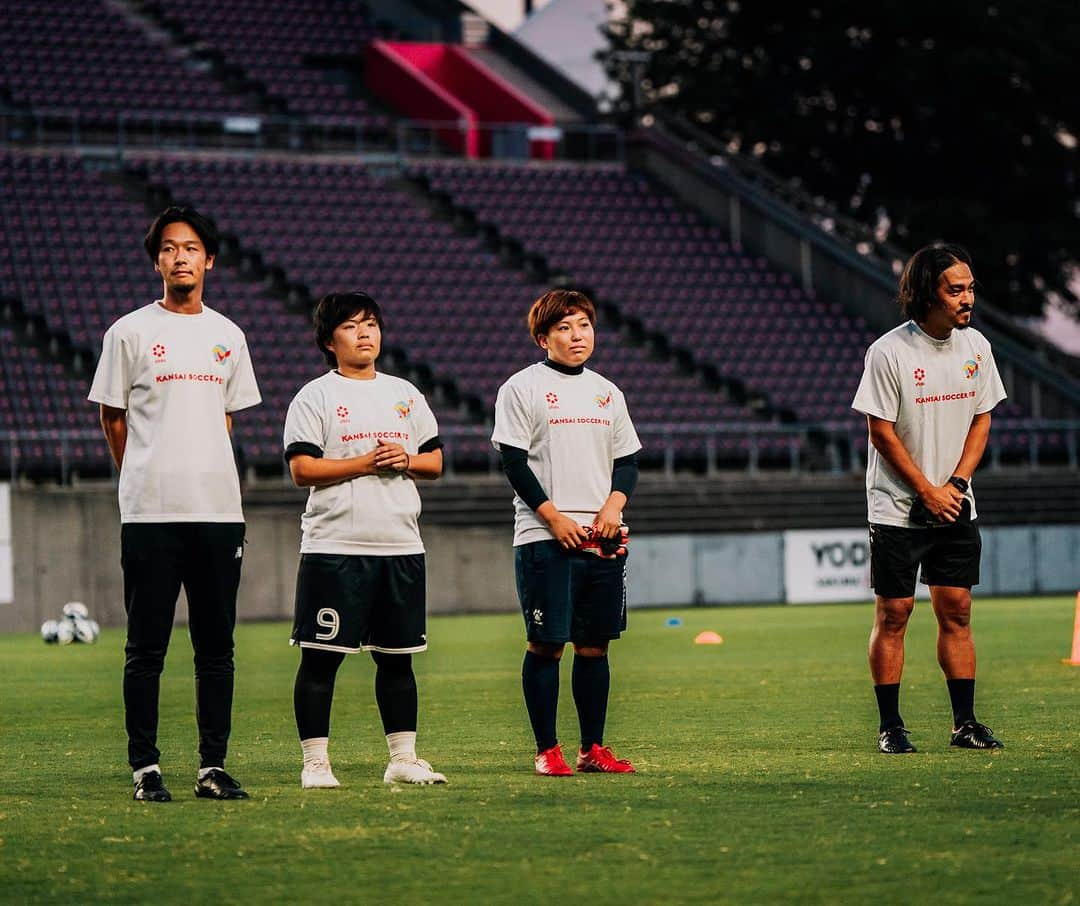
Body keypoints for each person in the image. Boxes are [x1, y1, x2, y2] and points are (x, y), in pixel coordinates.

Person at [88, 206, 261, 801]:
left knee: (217, 650)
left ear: (208, 259)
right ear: (156, 259)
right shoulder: (129, 331)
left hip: (218, 513)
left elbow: (228, 419)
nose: (180, 256)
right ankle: (146, 769)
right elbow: (112, 417)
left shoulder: (228, 336)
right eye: (168, 248)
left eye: (190, 248)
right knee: (146, 649)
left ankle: (212, 766)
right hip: (150, 514)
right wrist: (140, 472)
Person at [284, 291, 447, 788]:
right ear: (329, 340)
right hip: (335, 548)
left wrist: (406, 460)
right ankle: (316, 764)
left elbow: (435, 461)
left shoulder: (405, 394)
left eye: (371, 324)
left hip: (400, 546)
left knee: (397, 661)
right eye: (352, 326)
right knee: (320, 659)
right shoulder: (315, 396)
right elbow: (301, 469)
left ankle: (403, 758)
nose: (365, 334)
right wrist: (364, 462)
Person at [852, 243, 1007, 754]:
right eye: (955, 289)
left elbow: (983, 417)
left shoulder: (976, 348)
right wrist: (926, 491)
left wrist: (957, 487)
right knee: (894, 613)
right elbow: (881, 432)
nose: (967, 299)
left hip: (955, 503)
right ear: (926, 294)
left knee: (957, 609)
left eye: (969, 288)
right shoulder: (889, 352)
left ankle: (964, 723)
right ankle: (890, 727)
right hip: (898, 506)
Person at [491, 289, 642, 776]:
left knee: (595, 645)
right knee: (547, 644)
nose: (577, 336)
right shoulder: (522, 388)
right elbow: (513, 461)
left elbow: (627, 462)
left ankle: (592, 749)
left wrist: (614, 506)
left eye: (584, 326)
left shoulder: (608, 392)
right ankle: (547, 749)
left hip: (601, 537)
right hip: (544, 536)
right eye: (564, 328)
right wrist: (552, 517)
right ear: (543, 338)